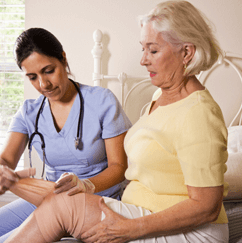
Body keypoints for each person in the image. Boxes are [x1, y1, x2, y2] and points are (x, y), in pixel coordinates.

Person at [5, 1, 230, 242]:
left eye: (152, 50)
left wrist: (129, 227)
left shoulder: (198, 113)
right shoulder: (162, 97)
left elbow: (207, 206)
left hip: (186, 229)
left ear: (186, 53)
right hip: (138, 210)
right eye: (143, 49)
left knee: (62, 205)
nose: (143, 60)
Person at [0, 28, 132, 242]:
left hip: (97, 198)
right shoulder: (29, 111)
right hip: (49, 197)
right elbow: (6, 160)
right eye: (33, 77)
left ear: (63, 59)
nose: (43, 85)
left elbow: (119, 167)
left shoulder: (101, 101)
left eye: (48, 70)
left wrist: (86, 185)